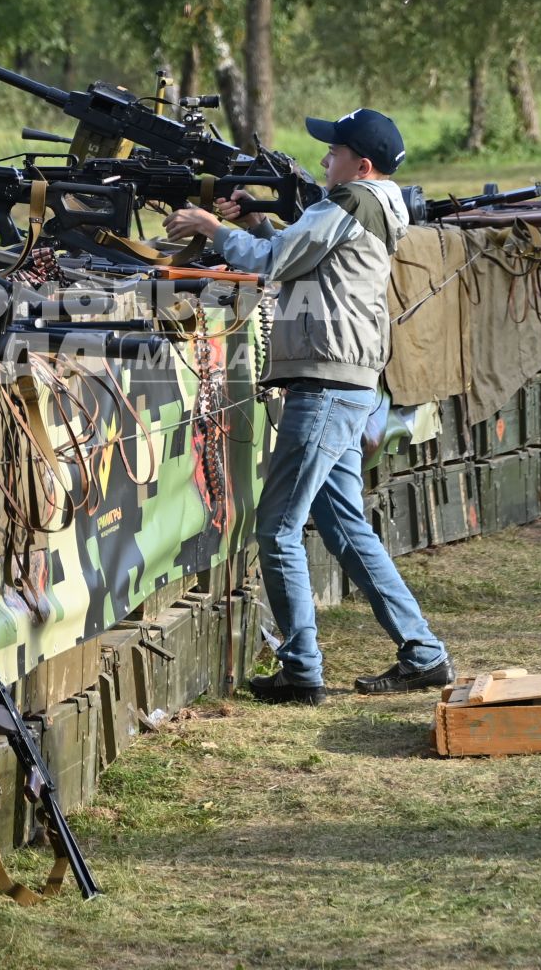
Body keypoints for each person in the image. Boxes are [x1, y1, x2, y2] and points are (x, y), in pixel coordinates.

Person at [165, 109, 452, 704]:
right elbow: (297, 252)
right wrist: (255, 221)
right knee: (346, 527)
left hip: (325, 385)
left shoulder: (348, 203)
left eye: (334, 152)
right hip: (344, 383)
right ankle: (423, 653)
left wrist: (212, 229)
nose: (324, 161)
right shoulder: (364, 206)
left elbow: (272, 263)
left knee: (277, 528)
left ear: (360, 164)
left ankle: (302, 670)